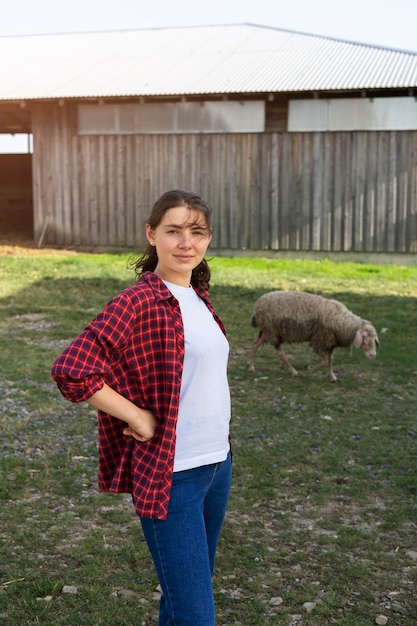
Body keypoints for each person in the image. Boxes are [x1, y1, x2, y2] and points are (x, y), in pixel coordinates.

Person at [51, 189, 232, 626]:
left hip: (217, 465)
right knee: (195, 616)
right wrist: (136, 416)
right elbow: (72, 370)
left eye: (197, 232)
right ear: (152, 235)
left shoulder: (199, 298)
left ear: (208, 239)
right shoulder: (136, 302)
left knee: (180, 601)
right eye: (173, 231)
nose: (186, 243)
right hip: (173, 475)